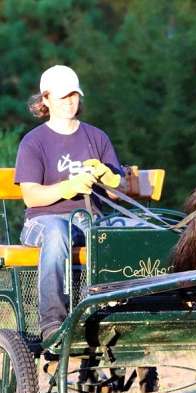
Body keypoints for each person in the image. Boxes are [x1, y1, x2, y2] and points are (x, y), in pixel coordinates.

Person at [14, 64, 123, 341]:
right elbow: (31, 196)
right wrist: (68, 187)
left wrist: (107, 175)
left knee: (126, 231)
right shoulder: (33, 142)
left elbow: (116, 191)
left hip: (89, 220)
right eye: (63, 96)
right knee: (56, 232)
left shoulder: (96, 137)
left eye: (73, 95)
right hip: (42, 223)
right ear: (45, 100)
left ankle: (118, 313)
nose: (70, 102)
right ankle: (52, 323)